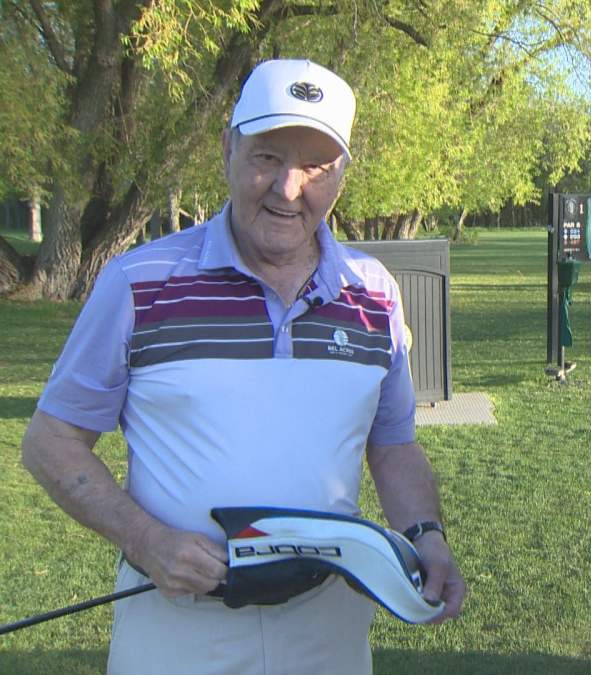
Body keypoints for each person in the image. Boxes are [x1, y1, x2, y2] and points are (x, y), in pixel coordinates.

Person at [20, 59, 466, 673]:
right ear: (228, 148)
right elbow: (52, 440)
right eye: (267, 157)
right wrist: (147, 540)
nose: (289, 188)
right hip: (178, 626)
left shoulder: (374, 294)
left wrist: (425, 534)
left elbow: (392, 445)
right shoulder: (139, 282)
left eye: (317, 166)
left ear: (342, 175)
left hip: (328, 624)